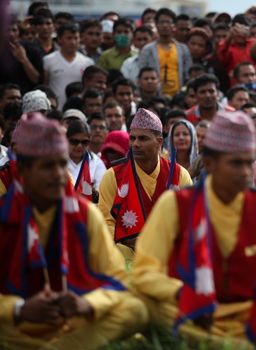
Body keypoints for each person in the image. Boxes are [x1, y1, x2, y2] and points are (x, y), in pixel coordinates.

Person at [133, 111, 256, 347]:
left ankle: (217, 342)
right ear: (210, 164)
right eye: (236, 163)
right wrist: (182, 293)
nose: (246, 172)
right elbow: (144, 272)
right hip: (196, 311)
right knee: (139, 300)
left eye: (249, 162)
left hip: (253, 311)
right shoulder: (175, 204)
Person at [0, 113, 147, 349]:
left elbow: (117, 279)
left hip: (74, 318)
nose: (59, 174)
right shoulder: (4, 215)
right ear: (24, 170)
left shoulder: (85, 214)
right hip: (21, 322)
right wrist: (19, 309)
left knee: (136, 309)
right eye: (48, 166)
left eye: (61, 164)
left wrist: (87, 304)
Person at [98, 108, 192, 258]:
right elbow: (106, 222)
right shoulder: (113, 176)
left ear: (159, 142)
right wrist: (131, 241)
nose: (135, 144)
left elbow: (188, 221)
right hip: (126, 251)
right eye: (132, 138)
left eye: (143, 138)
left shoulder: (179, 175)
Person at [138, 8, 192, 96]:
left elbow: (188, 75)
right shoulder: (147, 50)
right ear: (156, 24)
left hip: (178, 96)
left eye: (168, 22)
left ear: (174, 25)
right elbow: (141, 74)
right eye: (161, 22)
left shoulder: (183, 49)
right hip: (155, 97)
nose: (165, 25)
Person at [43, 23, 94, 109]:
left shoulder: (88, 62)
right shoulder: (48, 60)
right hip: (55, 109)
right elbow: (45, 85)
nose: (73, 42)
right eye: (69, 38)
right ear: (59, 39)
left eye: (76, 38)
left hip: (79, 109)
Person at [67, 119, 107, 200]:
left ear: (89, 141)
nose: (79, 146)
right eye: (75, 141)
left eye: (84, 142)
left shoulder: (97, 163)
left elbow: (102, 193)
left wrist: (94, 193)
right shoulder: (57, 161)